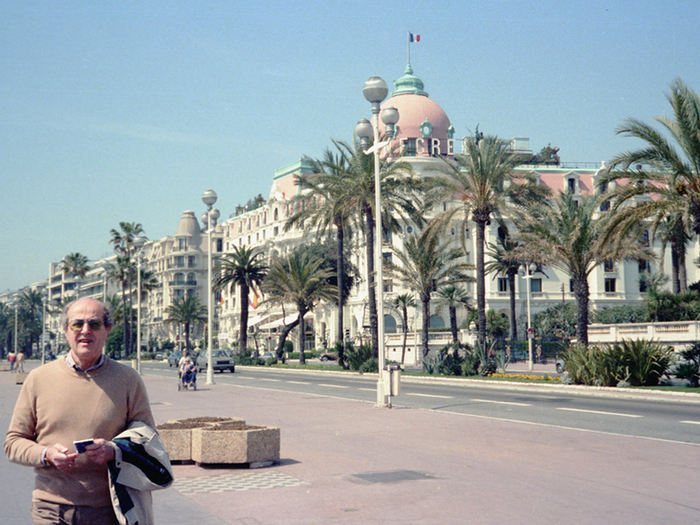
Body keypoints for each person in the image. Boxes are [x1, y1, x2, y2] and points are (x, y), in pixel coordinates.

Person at [4, 298, 161, 525]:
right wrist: (46, 454)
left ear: (107, 331)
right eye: (77, 324)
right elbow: (13, 443)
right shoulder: (39, 378)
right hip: (50, 508)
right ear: (66, 331)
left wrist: (114, 450)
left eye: (94, 324)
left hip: (109, 509)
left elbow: (147, 440)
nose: (85, 331)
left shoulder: (128, 380)